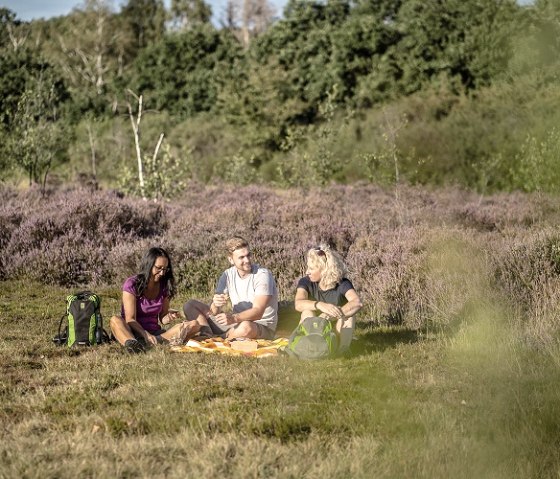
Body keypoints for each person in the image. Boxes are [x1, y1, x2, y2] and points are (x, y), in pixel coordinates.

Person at [183, 236, 278, 340]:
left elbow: (258, 312)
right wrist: (216, 304)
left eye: (248, 255)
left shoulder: (262, 275)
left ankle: (218, 338)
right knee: (189, 305)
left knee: (245, 328)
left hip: (259, 326)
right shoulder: (227, 275)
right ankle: (207, 334)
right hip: (235, 323)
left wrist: (234, 318)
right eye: (241, 257)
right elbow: (214, 311)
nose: (247, 260)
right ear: (231, 260)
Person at [110, 246, 199, 353]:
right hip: (132, 331)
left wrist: (169, 317)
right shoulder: (132, 284)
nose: (162, 273)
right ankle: (132, 344)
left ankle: (155, 341)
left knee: (194, 325)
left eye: (165, 269)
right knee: (115, 320)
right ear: (149, 265)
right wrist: (144, 334)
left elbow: (162, 318)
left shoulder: (164, 286)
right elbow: (130, 319)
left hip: (155, 333)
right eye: (158, 268)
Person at [294, 244, 363, 353]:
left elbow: (357, 303)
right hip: (313, 329)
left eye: (311, 268)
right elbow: (298, 304)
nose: (307, 271)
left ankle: (342, 351)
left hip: (334, 330)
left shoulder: (342, 283)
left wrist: (331, 315)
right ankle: (307, 349)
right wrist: (320, 305)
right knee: (307, 312)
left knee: (349, 317)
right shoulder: (305, 282)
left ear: (324, 269)